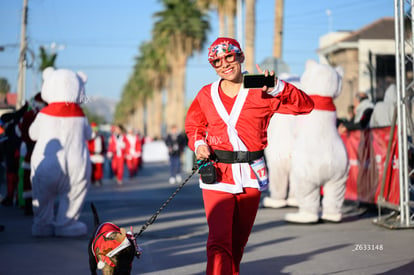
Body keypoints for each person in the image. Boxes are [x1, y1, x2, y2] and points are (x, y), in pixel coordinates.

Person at [184, 37, 314, 275]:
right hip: (218, 175)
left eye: (229, 57)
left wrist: (278, 87)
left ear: (240, 57)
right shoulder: (206, 94)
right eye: (216, 61)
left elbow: (305, 106)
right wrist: (199, 144)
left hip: (251, 174)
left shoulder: (262, 88)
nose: (224, 64)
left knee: (237, 243)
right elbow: (194, 125)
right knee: (218, 242)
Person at [18, 92, 47, 215]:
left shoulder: (30, 115)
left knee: (29, 178)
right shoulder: (40, 115)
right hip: (37, 151)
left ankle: (30, 204)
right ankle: (35, 204)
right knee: (33, 179)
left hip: (32, 150)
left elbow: (22, 133)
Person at [87, 122, 106, 186]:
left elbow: (103, 145)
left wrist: (104, 151)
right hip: (92, 155)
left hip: (99, 154)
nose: (95, 130)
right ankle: (93, 180)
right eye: (93, 128)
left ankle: (99, 179)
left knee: (99, 168)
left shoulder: (100, 136)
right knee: (92, 168)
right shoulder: (90, 136)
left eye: (96, 128)